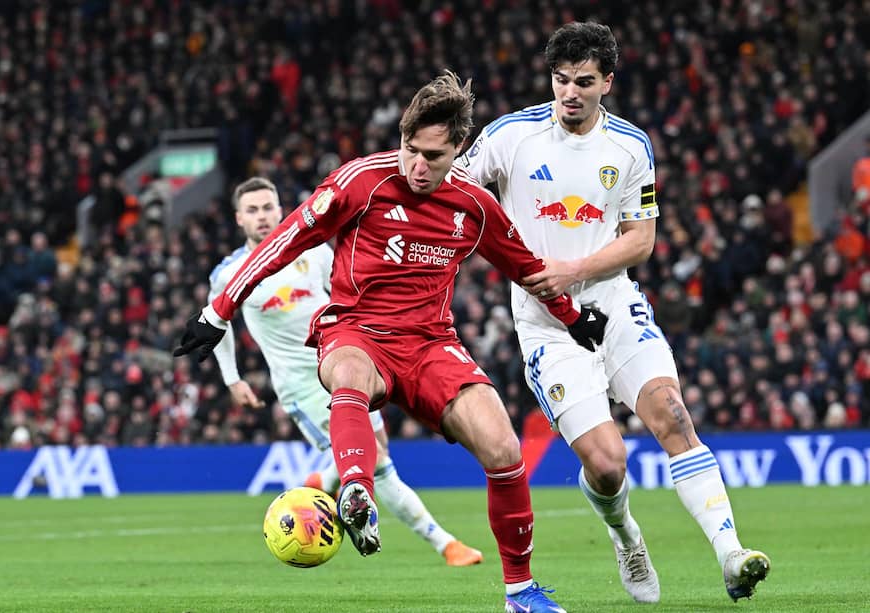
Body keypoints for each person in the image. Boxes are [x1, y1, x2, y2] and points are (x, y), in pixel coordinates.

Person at [176, 71, 609, 613]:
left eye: (434, 155)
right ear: (401, 139)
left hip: (430, 344)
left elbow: (524, 267)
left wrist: (572, 318)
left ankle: (520, 593)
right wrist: (218, 312)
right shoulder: (361, 181)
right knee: (349, 375)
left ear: (458, 151)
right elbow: (286, 239)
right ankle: (358, 490)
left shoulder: (473, 207)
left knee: (504, 450)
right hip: (355, 329)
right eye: (411, 150)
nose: (418, 165)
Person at [459, 22, 771, 604]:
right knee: (607, 464)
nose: (569, 93)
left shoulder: (629, 146)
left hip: (614, 305)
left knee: (673, 416)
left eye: (582, 81)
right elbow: (455, 194)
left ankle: (731, 554)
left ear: (607, 81)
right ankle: (625, 533)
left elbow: (641, 240)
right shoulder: (510, 137)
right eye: (560, 81)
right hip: (546, 325)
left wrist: (573, 270)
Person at [208, 176, 483, 567]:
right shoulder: (229, 272)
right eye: (252, 211)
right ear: (238, 219)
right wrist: (231, 378)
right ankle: (444, 543)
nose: (262, 217)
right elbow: (220, 325)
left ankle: (327, 479)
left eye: (268, 207)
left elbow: (344, 298)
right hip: (301, 385)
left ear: (280, 208)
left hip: (342, 368)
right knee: (377, 461)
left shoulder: (314, 252)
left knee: (375, 452)